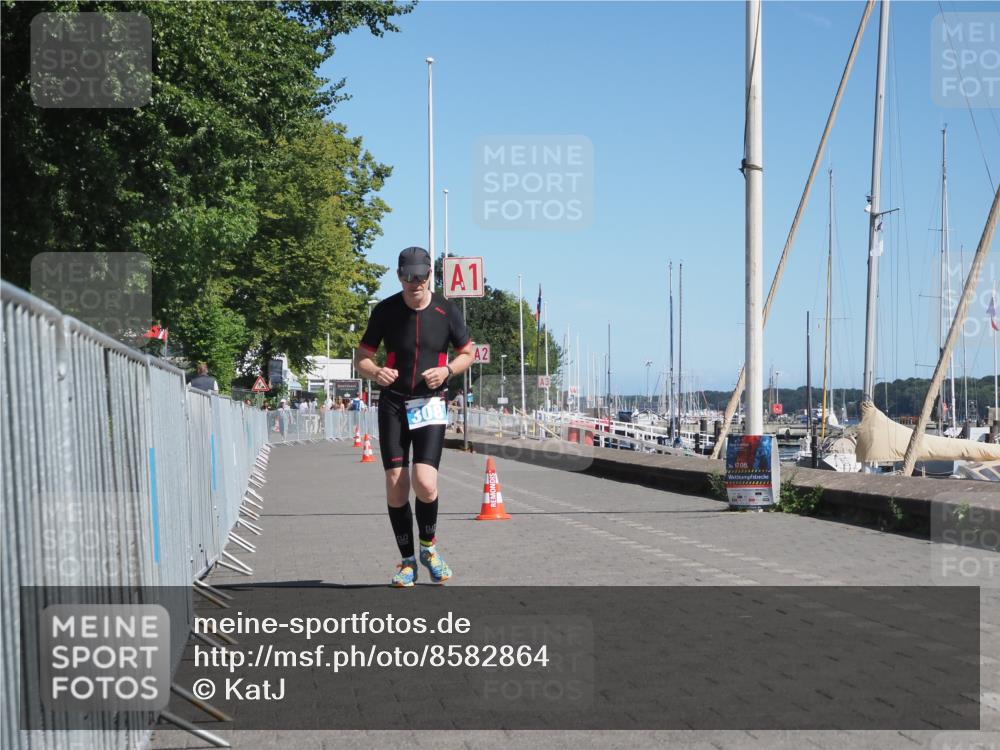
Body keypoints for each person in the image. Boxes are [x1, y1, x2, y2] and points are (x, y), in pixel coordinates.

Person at [354, 246, 474, 587]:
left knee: (425, 482)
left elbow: (467, 353)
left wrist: (448, 370)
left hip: (430, 403)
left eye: (420, 277)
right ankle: (407, 561)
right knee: (396, 485)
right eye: (407, 278)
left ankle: (429, 548)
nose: (414, 284)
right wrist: (375, 372)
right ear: (398, 276)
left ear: (429, 276)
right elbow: (362, 356)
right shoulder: (386, 310)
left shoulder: (446, 310)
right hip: (393, 403)